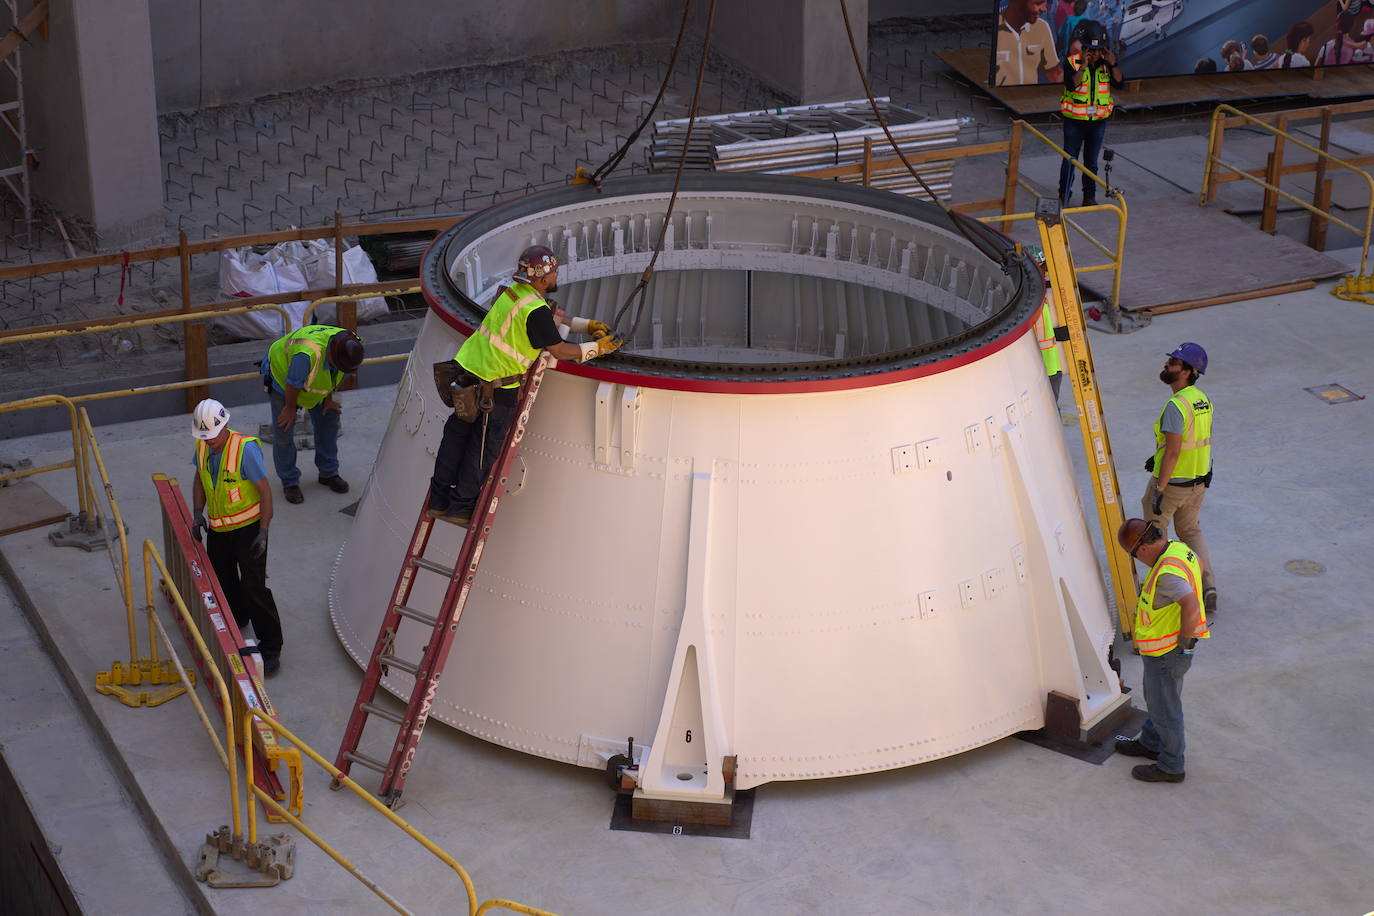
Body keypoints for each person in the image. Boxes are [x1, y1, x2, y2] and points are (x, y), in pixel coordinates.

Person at [426, 245, 622, 526]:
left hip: (466, 378)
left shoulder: (512, 293)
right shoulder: (535, 311)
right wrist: (597, 348)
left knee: (454, 440)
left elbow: (550, 320)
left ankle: (438, 501)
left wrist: (586, 325)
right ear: (543, 278)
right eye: (554, 272)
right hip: (495, 391)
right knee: (481, 450)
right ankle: (461, 508)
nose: (556, 276)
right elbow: (559, 349)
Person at [1113, 518, 1210, 783]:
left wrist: (1184, 649)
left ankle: (1171, 765)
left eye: (1133, 555)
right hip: (1162, 653)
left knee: (1166, 709)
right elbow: (1199, 566)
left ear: (1141, 549)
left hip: (1168, 653)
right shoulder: (1177, 549)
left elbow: (1190, 605)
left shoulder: (1167, 574)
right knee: (1158, 701)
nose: (1137, 560)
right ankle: (1150, 742)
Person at [190, 398, 283, 676]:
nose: (209, 442)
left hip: (249, 531)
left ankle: (271, 647)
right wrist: (197, 513)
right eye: (203, 437)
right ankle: (238, 617)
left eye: (212, 436)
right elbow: (200, 479)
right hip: (219, 530)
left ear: (225, 424)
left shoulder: (245, 450)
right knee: (224, 581)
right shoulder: (203, 445)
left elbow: (265, 492)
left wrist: (264, 532)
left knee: (255, 587)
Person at [1142, 342, 1216, 615]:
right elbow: (1193, 441)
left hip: (1173, 485)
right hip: (1198, 481)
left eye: (1173, 363)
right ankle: (1207, 585)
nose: (1166, 365)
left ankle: (1168, 592)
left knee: (1154, 536)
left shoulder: (1176, 406)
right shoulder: (1202, 399)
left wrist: (1159, 488)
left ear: (1187, 371)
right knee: (1190, 532)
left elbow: (1174, 452)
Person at [261, 324, 365, 504]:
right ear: (332, 356)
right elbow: (293, 383)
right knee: (283, 431)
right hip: (283, 378)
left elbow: (334, 375)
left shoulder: (350, 345)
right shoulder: (306, 355)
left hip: (308, 380)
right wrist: (290, 408)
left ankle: (328, 473)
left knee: (329, 419)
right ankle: (289, 481)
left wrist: (328, 399)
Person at [1057, 20, 1122, 208]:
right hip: (1074, 122)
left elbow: (1119, 83)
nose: (1095, 54)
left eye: (1099, 50)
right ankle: (1064, 194)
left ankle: (1089, 196)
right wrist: (1083, 65)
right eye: (1091, 51)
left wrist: (1114, 63)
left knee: (1091, 163)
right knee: (1069, 160)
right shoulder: (1072, 62)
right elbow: (1072, 84)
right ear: (1084, 49)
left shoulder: (1106, 65)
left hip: (1097, 123)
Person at [996, 0, 1063, 87]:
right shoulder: (996, 26)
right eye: (1038, 3)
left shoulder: (1042, 27)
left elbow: (1055, 74)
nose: (1044, 9)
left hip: (1030, 97)